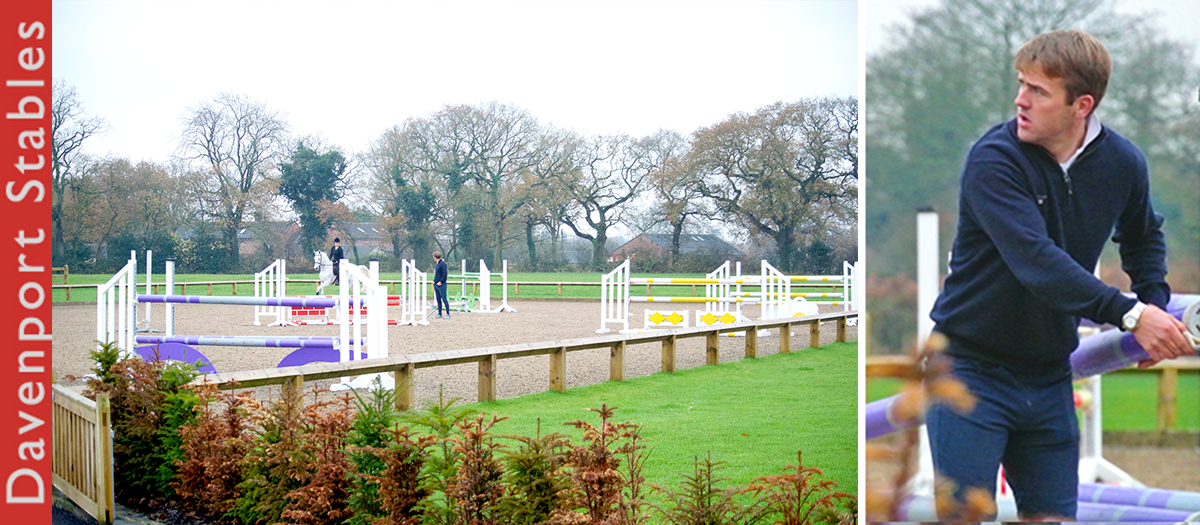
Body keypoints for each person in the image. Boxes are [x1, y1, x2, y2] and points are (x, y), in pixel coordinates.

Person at [927, 30, 1194, 520]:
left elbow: (1142, 236)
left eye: (1038, 90)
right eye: (1021, 83)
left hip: (1050, 378)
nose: (1019, 100)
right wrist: (1132, 317)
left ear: (1082, 105)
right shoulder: (994, 159)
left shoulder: (1123, 162)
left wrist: (1152, 302)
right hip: (968, 372)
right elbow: (1037, 262)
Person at [432, 251, 449, 319]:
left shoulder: (442, 264)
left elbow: (445, 274)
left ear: (435, 257)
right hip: (436, 284)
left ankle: (447, 313)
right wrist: (434, 280)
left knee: (444, 299)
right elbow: (437, 274)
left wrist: (441, 282)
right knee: (438, 299)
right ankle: (439, 313)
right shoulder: (437, 264)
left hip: (441, 284)